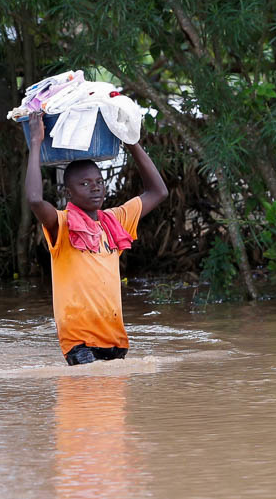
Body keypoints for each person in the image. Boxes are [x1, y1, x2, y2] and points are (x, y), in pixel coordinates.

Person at [24, 112, 168, 365]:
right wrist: (36, 142)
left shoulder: (115, 221)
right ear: (68, 192)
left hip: (115, 340)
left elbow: (158, 191)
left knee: (111, 404)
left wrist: (131, 141)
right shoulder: (63, 224)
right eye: (85, 184)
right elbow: (35, 199)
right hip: (78, 342)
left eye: (99, 181)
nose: (96, 188)